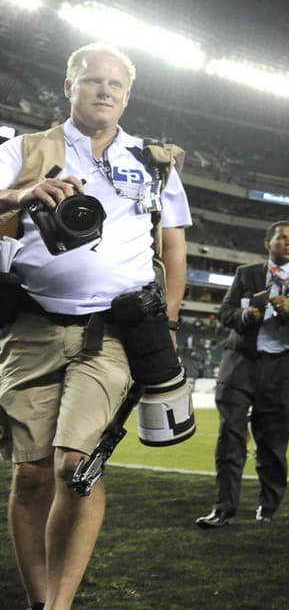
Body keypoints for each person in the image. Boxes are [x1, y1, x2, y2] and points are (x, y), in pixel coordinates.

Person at [0, 42, 192, 610]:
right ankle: (40, 601)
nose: (103, 90)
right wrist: (22, 194)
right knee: (32, 473)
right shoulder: (24, 149)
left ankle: (59, 606)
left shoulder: (155, 160)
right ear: (68, 87)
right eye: (92, 81)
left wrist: (171, 322)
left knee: (75, 466)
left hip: (111, 332)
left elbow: (175, 247)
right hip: (31, 327)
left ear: (127, 96)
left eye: (114, 84)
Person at [197, 220, 289, 527]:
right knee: (231, 436)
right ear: (267, 243)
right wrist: (246, 314)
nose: (288, 242)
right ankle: (224, 508)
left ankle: (267, 508)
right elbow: (226, 313)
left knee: (273, 443)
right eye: (281, 237)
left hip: (282, 369)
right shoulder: (247, 274)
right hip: (241, 364)